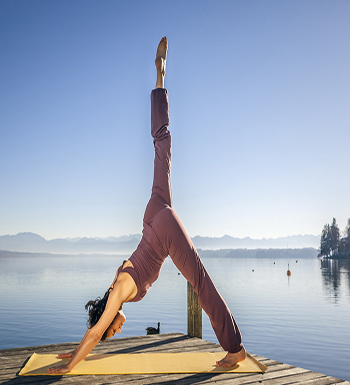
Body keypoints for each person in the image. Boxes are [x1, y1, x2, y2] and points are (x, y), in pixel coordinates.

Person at [48, 37, 245, 374]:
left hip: (162, 230)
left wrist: (69, 368)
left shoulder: (119, 292)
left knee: (201, 282)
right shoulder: (114, 283)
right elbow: (95, 325)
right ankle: (160, 79)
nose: (117, 330)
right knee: (162, 144)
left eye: (114, 329)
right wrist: (76, 351)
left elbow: (96, 330)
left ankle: (235, 349)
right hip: (154, 211)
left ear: (109, 320)